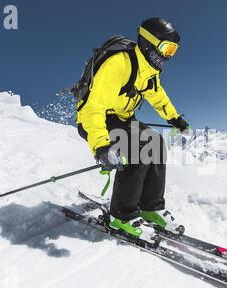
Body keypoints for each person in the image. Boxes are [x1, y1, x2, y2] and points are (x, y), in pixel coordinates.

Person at [77, 18, 189, 239]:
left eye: (173, 51)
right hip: (96, 119)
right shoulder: (119, 64)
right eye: (166, 48)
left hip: (123, 118)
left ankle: (150, 207)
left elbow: (157, 96)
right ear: (149, 43)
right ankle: (121, 216)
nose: (168, 55)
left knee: (155, 142)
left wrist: (174, 118)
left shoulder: (148, 71)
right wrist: (101, 146)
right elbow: (93, 108)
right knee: (139, 148)